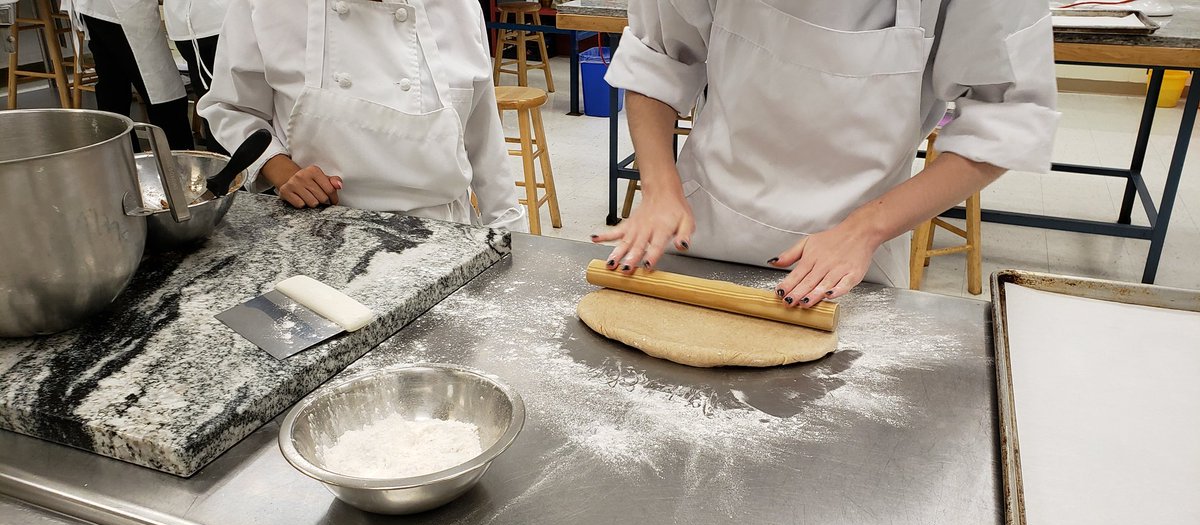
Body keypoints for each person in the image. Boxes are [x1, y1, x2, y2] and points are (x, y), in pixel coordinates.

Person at [595, 0, 1058, 307]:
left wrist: (865, 229)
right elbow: (659, 55)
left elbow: (1006, 118)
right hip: (702, 229)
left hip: (853, 258)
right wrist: (659, 187)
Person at [197, 0, 524, 230]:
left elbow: (484, 141)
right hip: (317, 228)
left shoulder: (459, 8)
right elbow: (232, 108)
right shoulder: (266, 6)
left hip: (444, 233)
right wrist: (279, 167)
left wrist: (511, 236)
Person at [66, 0, 195, 150]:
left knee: (114, 88)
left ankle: (124, 164)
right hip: (120, 9)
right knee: (161, 91)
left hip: (101, 8)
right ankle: (178, 165)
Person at [164, 0, 231, 153]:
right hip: (211, 22)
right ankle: (228, 169)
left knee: (215, 106)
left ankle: (223, 167)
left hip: (193, 25)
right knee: (226, 109)